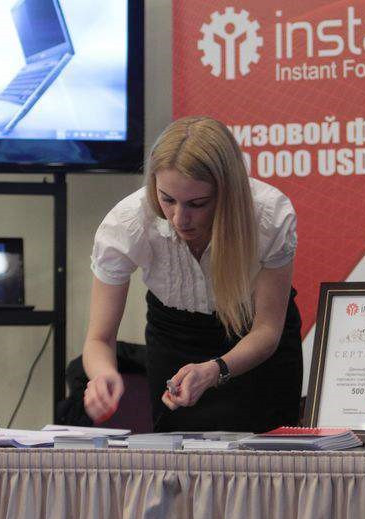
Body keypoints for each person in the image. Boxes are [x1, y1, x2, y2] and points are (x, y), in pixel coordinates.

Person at [82, 116, 302, 432]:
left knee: (267, 457)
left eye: (197, 203)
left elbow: (267, 329)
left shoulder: (268, 215)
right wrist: (102, 374)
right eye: (167, 199)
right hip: (174, 340)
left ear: (226, 193)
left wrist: (216, 369)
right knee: (178, 454)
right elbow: (99, 339)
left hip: (256, 351)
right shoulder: (127, 223)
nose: (179, 218)